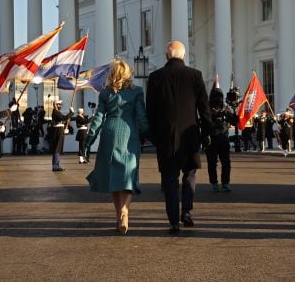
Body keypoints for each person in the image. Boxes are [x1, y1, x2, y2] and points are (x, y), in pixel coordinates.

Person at [146, 41, 212, 234]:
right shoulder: (195, 75)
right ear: (183, 56)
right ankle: (187, 212)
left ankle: (173, 219)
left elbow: (150, 111)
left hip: (165, 136)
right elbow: (204, 108)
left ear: (167, 56)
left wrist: (152, 134)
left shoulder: (155, 77)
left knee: (169, 179)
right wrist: (207, 132)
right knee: (190, 174)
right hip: (190, 134)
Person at [85, 59, 151, 235]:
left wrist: (88, 141)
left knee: (113, 176)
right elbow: (142, 117)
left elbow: (98, 119)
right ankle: (124, 211)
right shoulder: (137, 91)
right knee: (129, 174)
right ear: (128, 73)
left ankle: (118, 215)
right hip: (129, 133)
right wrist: (149, 134)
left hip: (109, 132)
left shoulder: (105, 93)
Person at [206, 82, 237, 192]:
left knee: (226, 162)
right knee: (212, 162)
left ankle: (225, 183)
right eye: (216, 96)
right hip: (211, 139)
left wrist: (234, 109)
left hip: (223, 138)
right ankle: (214, 183)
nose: (218, 99)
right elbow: (204, 122)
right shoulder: (206, 108)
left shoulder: (226, 108)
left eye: (219, 96)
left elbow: (234, 122)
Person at [49, 100, 73, 171]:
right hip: (58, 131)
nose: (60, 105)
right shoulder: (56, 112)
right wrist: (71, 113)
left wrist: (70, 116)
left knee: (57, 148)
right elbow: (64, 118)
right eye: (59, 104)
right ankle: (56, 165)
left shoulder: (57, 112)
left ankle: (55, 165)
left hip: (59, 130)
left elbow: (64, 118)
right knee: (57, 148)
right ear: (55, 105)